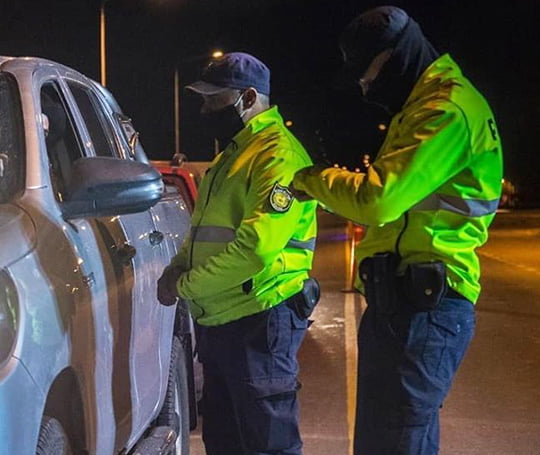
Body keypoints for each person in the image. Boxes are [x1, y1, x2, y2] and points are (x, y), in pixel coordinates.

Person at [290, 6, 503, 454]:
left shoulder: (445, 110)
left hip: (425, 308)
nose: (365, 87)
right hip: (404, 303)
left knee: (392, 443)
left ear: (396, 57)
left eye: (367, 73)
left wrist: (310, 179)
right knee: (392, 441)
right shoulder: (425, 106)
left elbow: (378, 200)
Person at [157, 52, 318, 455]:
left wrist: (186, 285)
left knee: (267, 444)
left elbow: (256, 249)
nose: (204, 109)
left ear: (248, 98)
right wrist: (178, 267)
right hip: (224, 321)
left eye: (214, 99)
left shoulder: (277, 156)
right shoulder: (233, 154)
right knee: (226, 442)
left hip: (259, 320)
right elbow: (204, 234)